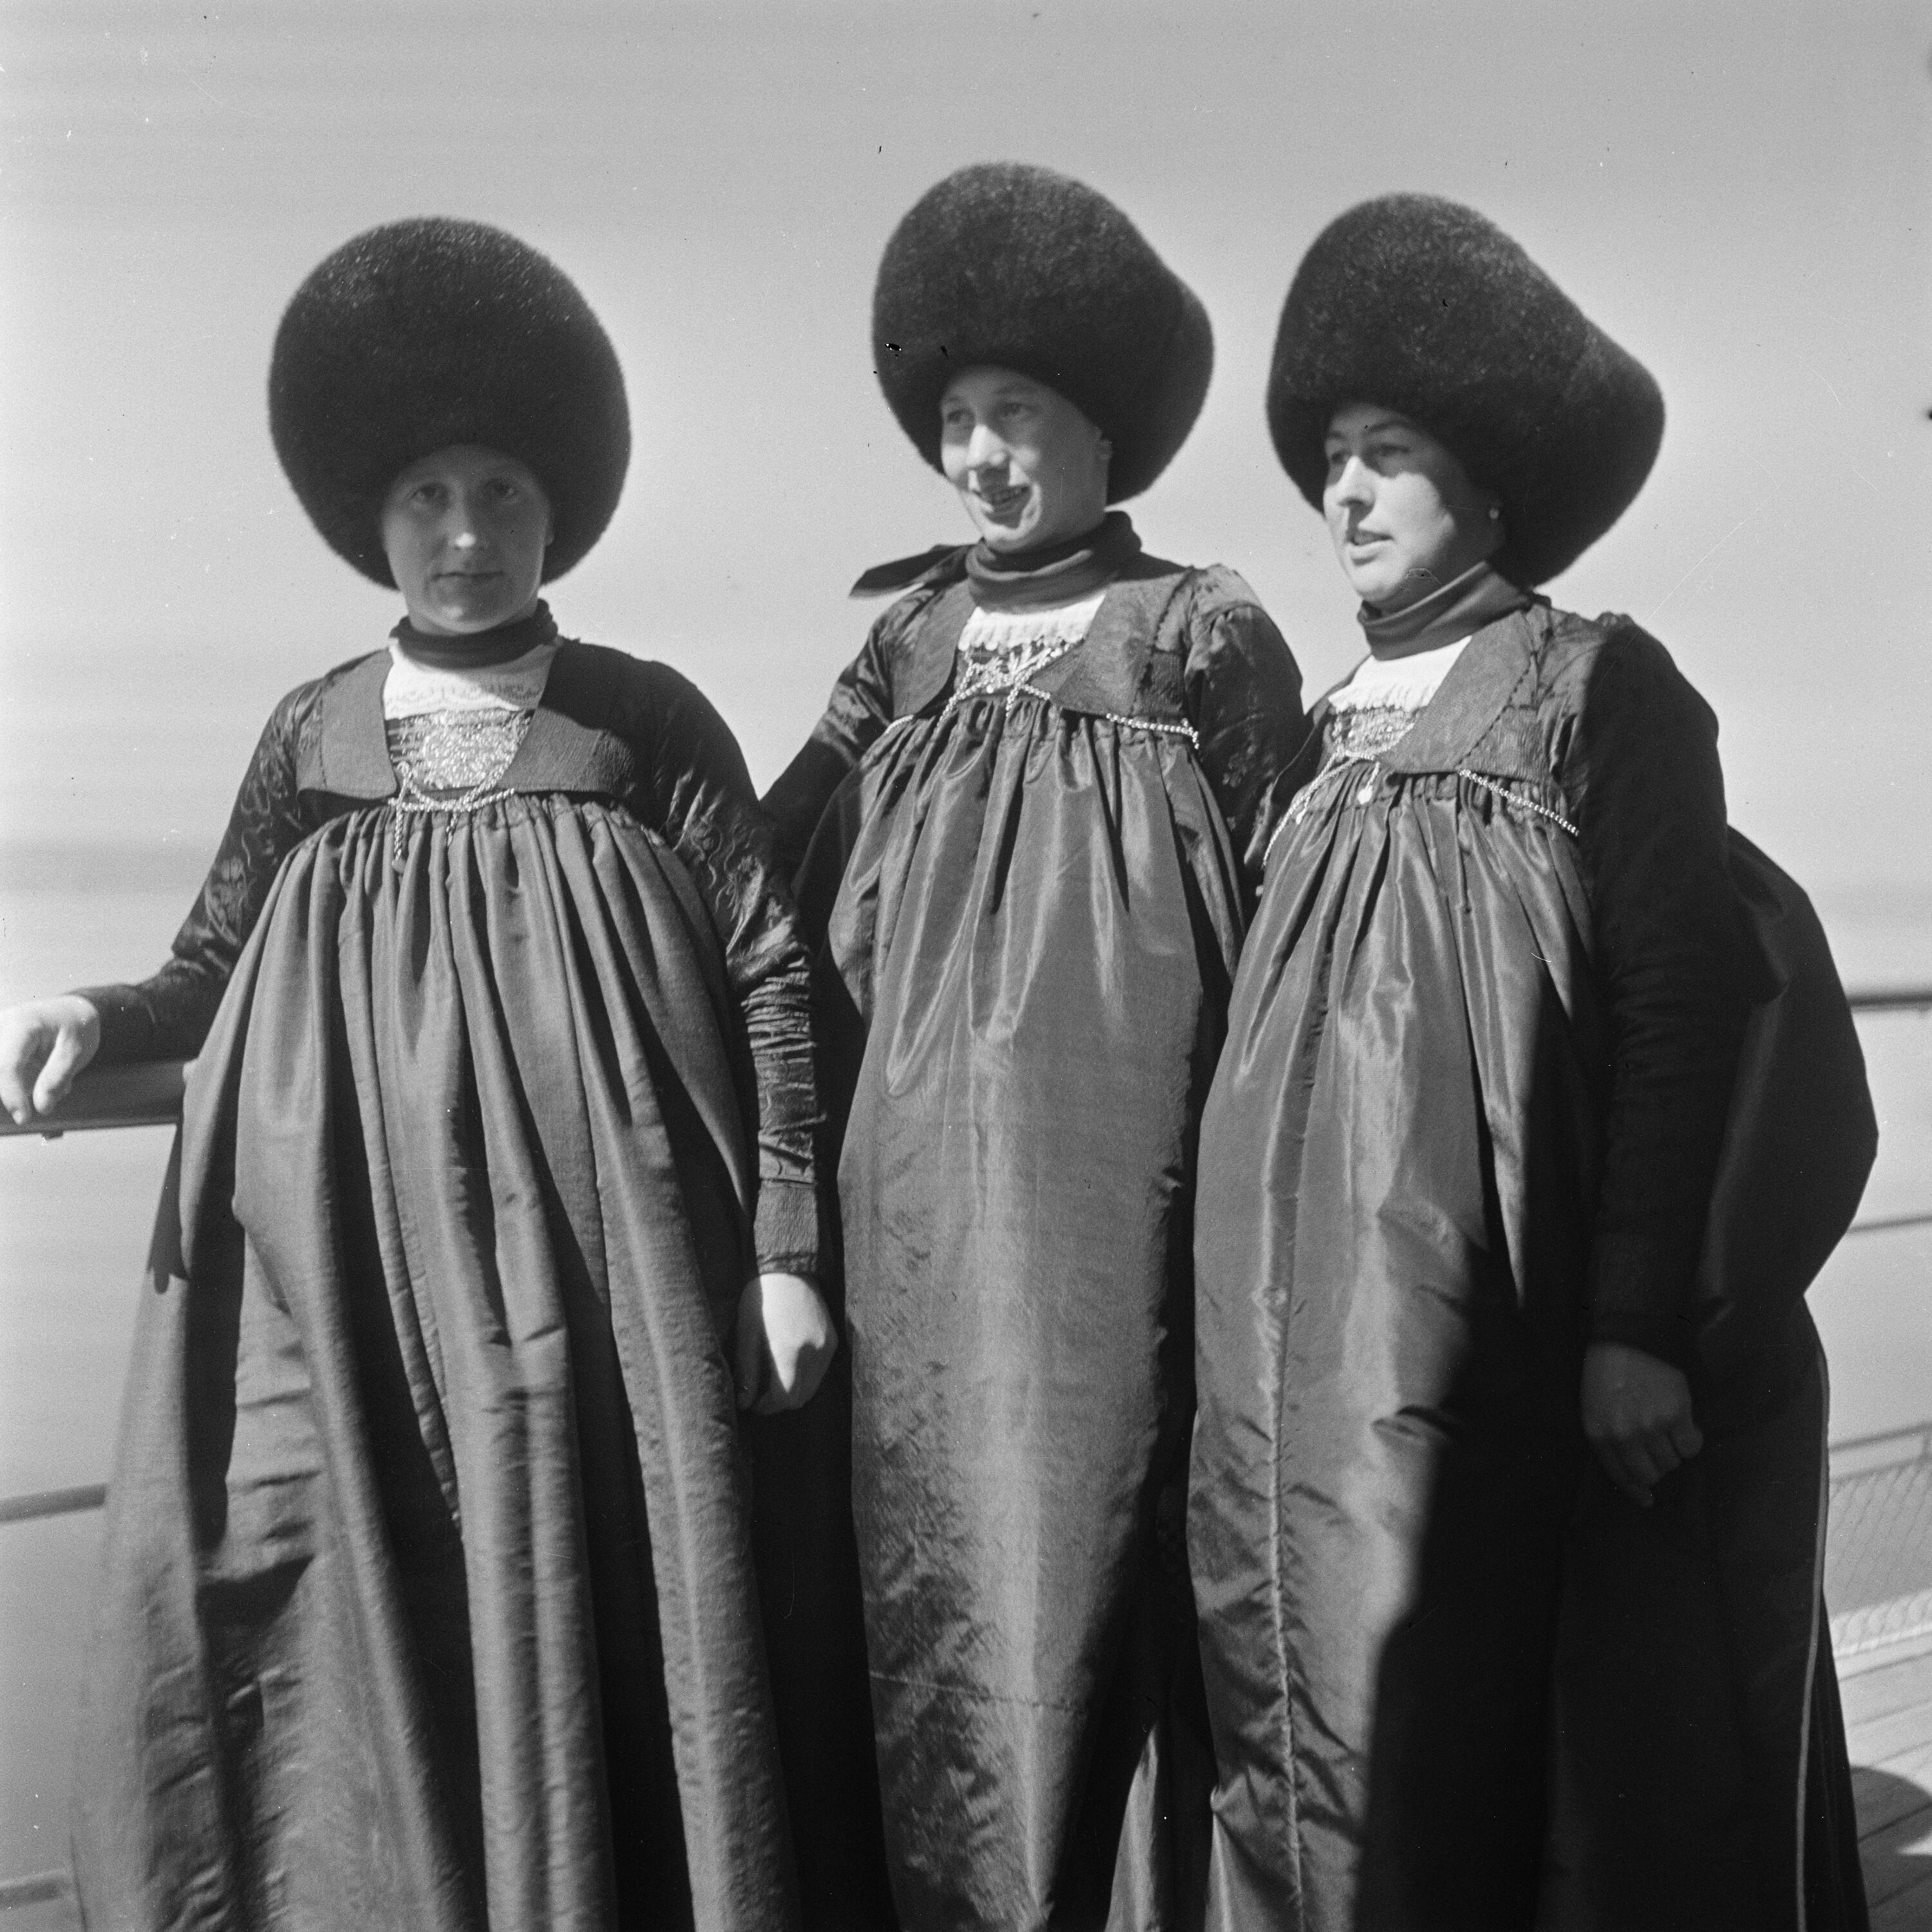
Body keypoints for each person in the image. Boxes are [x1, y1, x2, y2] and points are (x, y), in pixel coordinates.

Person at [0, 218, 837, 1932]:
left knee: (604, 1615)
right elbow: (211, 966)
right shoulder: (310, 732)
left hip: (607, 1292)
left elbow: (771, 972)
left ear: (557, 509)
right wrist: (93, 1013)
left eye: (503, 494)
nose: (465, 536)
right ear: (371, 517)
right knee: (380, 1617)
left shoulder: (643, 718)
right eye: (428, 498)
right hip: (368, 1294)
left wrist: (786, 1251)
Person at [1186, 193, 1872, 1931]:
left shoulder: (1596, 689)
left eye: (1389, 455)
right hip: (1295, 1362)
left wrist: (1634, 1324)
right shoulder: (1314, 747)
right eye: (1330, 460)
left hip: (1505, 1338)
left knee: (1520, 1739)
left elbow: (1679, 1011)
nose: (1344, 495)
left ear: (1486, 482)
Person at [759, 162, 1308, 1930]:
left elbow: (1299, 927)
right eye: (956, 423)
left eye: (1018, 416)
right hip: (907, 1229)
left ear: (1101, 427)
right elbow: (756, 863)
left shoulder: (1198, 629)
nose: (983, 458)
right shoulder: (906, 641)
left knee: (1095, 1560)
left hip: (1115, 1225)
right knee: (920, 1577)